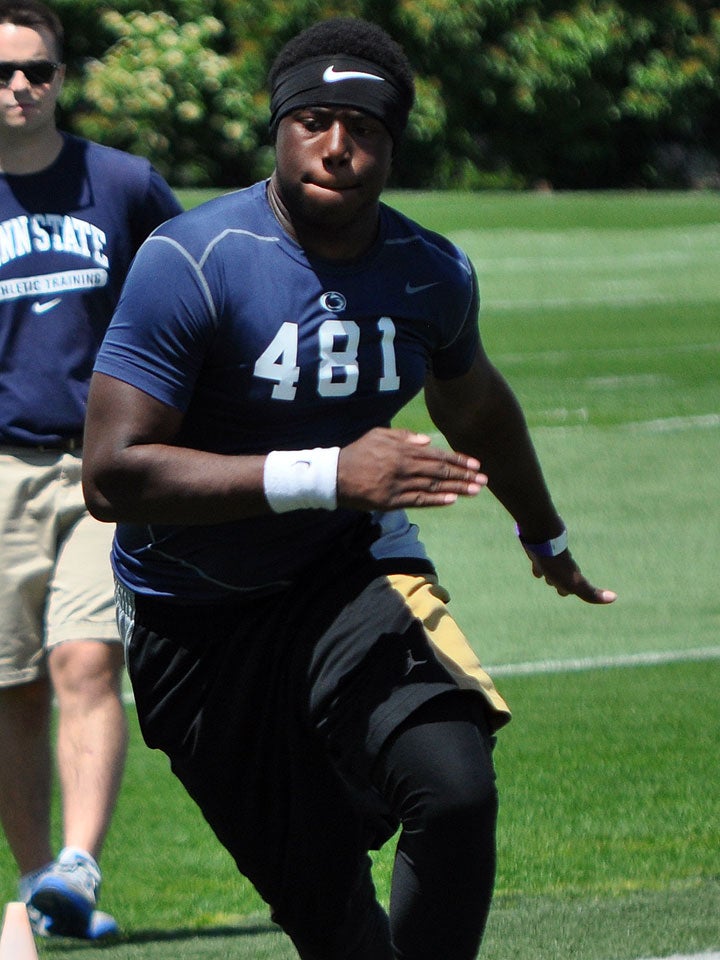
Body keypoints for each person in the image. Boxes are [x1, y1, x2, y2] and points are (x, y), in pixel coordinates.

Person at [82, 17, 616, 960]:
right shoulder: (191, 261)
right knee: (336, 924)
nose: (339, 147)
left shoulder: (429, 271)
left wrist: (547, 536)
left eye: (363, 127)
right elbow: (114, 477)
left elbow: (477, 404)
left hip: (350, 577)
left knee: (455, 787)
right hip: (194, 627)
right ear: (280, 131)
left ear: (392, 143)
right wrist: (330, 471)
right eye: (315, 121)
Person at [0, 0, 183, 941]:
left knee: (84, 659)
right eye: (3, 73)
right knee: (13, 685)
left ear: (62, 79)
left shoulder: (121, 183)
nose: (20, 87)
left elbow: (191, 289)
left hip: (99, 470)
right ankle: (41, 886)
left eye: (37, 70)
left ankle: (80, 859)